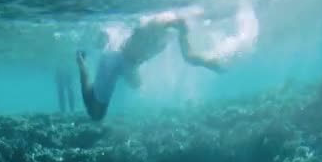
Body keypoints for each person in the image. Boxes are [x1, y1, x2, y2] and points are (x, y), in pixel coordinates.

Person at [75, 11, 225, 121]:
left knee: (134, 85)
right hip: (118, 57)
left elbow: (186, 50)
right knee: (98, 112)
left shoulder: (167, 31)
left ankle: (98, 70)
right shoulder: (157, 26)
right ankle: (82, 61)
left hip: (127, 61)